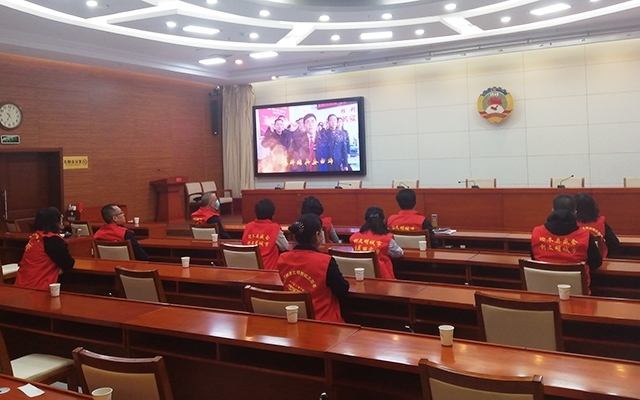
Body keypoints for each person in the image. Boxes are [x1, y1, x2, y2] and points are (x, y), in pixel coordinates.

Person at [276, 213, 349, 322]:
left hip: (296, 319)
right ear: (317, 235)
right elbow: (342, 290)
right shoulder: (325, 262)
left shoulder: (282, 258)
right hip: (325, 323)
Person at [531, 194, 602, 292]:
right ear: (575, 213)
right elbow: (596, 263)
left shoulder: (537, 233)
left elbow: (534, 258)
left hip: (541, 294)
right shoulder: (585, 236)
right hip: (576, 296)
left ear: (552, 211)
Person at [15, 207, 75, 290]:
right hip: (37, 287)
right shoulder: (52, 240)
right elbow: (68, 263)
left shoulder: (35, 237)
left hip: (21, 284)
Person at [349, 206, 404, 279]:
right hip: (383, 279)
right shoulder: (386, 239)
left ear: (366, 220)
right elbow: (398, 253)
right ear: (383, 220)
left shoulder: (354, 238)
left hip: (361, 277)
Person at [242, 198, 289, 270]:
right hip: (268, 273)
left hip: (250, 271)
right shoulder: (274, 228)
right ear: (273, 215)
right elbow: (285, 247)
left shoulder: (248, 226)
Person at [575, 193, 619, 258]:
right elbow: (614, 243)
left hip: (578, 258)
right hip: (599, 259)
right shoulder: (601, 223)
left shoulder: (572, 224)